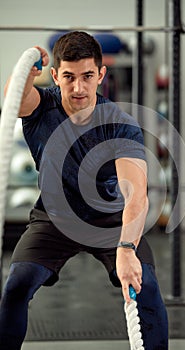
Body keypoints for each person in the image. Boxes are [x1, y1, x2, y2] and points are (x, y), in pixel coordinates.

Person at [0, 31, 168, 350]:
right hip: (53, 218)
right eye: (69, 77)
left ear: (101, 75)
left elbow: (136, 195)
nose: (78, 88)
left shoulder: (120, 124)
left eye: (87, 76)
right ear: (55, 76)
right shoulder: (41, 107)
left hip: (109, 221)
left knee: (144, 287)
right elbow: (14, 100)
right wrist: (26, 68)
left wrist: (126, 247)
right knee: (17, 285)